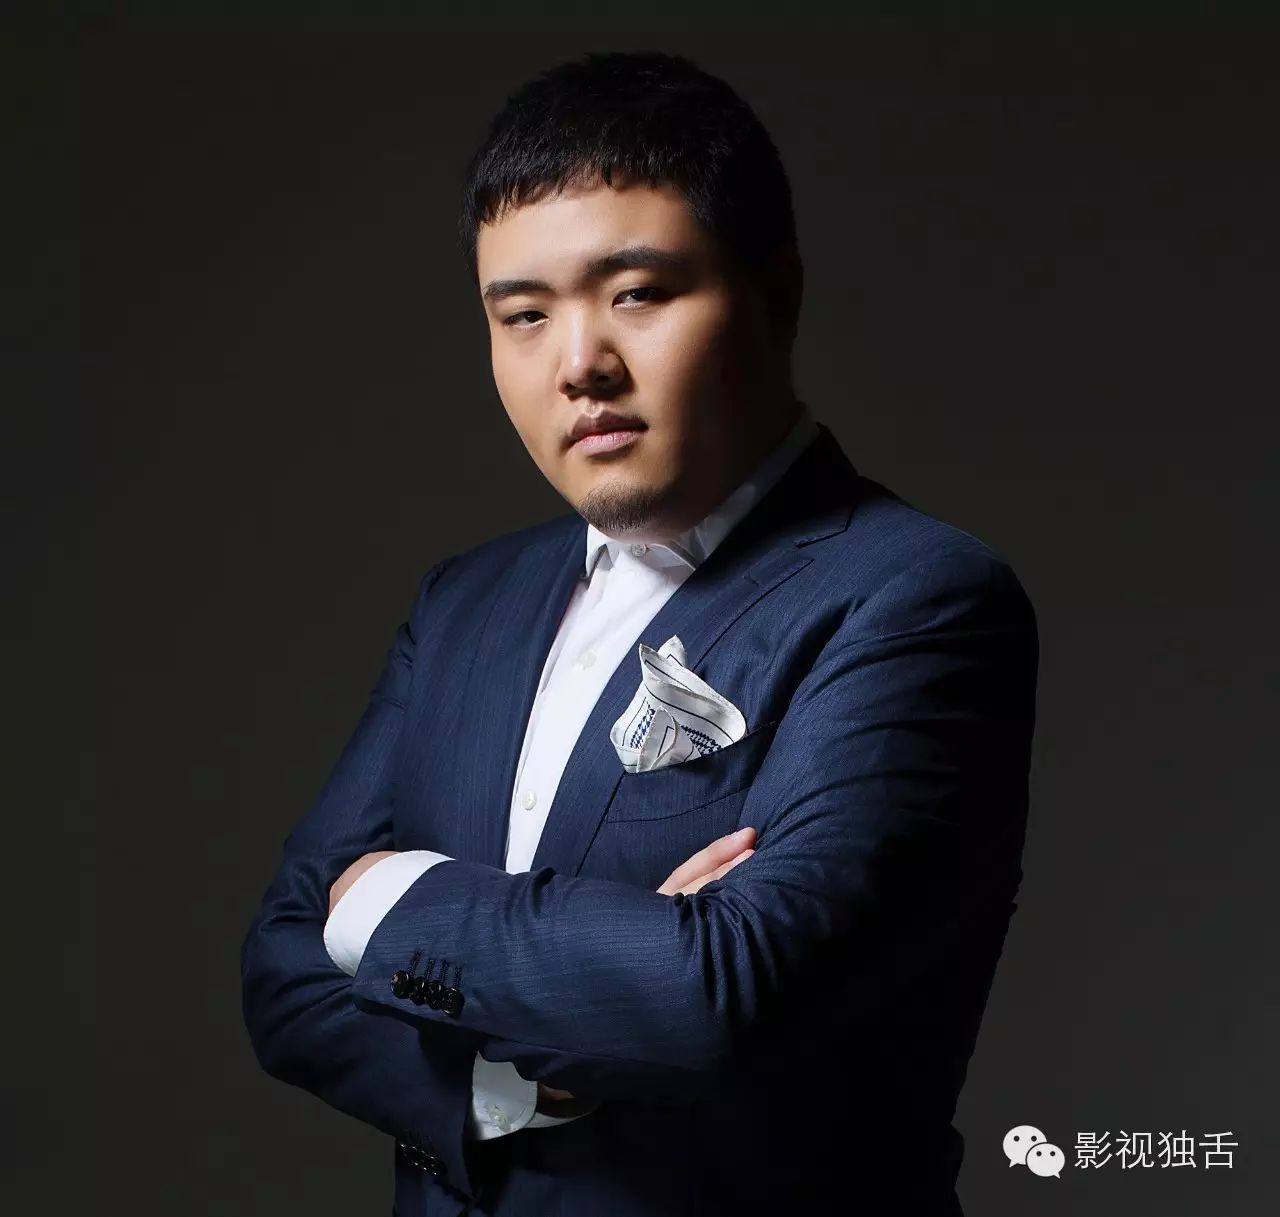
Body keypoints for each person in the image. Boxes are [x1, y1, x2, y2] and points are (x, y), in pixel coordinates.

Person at [240, 49, 1039, 1217]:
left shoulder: (916, 596)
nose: (579, 366)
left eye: (637, 293)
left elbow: (722, 994)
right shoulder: (464, 602)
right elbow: (279, 970)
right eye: (523, 315)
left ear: (775, 292)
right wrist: (519, 1081)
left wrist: (382, 898)